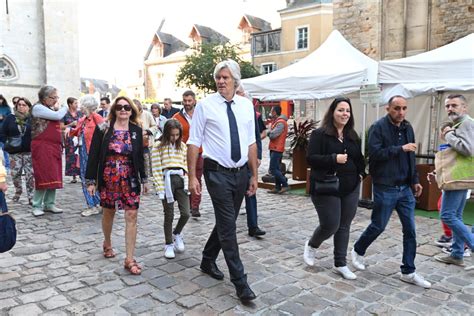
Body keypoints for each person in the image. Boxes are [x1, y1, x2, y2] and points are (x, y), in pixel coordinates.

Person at [188, 59, 258, 302]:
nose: (220, 81)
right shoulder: (205, 106)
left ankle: (208, 259)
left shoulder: (246, 106)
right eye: (218, 77)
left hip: (240, 174)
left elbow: (251, 142)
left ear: (235, 80)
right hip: (216, 173)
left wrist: (254, 175)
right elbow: (194, 142)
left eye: (225, 77)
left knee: (225, 222)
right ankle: (240, 282)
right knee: (229, 226)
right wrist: (192, 177)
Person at [351, 95, 431, 288]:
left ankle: (408, 271)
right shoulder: (377, 128)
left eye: (404, 108)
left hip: (405, 188)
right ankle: (358, 249)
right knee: (378, 226)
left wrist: (415, 180)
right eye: (397, 108)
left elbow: (411, 158)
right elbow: (375, 156)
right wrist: (400, 148)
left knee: (410, 230)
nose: (401, 112)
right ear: (388, 108)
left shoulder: (408, 127)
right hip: (385, 186)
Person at [303, 97, 365, 280]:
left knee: (344, 226)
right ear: (332, 112)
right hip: (326, 186)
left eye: (347, 111)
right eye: (340, 110)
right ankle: (312, 245)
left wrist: (361, 174)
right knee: (330, 224)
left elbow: (359, 159)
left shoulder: (352, 135)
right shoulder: (319, 134)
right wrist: (333, 158)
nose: (344, 114)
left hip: (351, 187)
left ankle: (340, 263)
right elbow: (311, 158)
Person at [85, 96, 147, 275]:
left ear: (131, 110)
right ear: (114, 110)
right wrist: (90, 181)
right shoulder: (103, 129)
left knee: (132, 214)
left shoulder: (136, 130)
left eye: (127, 107)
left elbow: (140, 156)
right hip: (109, 175)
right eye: (119, 107)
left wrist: (145, 179)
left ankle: (129, 258)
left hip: (130, 177)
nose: (123, 110)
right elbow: (94, 155)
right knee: (109, 212)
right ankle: (107, 241)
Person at [433, 94, 474, 269]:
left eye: (454, 105)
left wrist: (449, 135)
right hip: (459, 176)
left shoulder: (466, 123)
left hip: (459, 177)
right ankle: (457, 254)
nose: (450, 109)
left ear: (464, 107)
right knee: (455, 216)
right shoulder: (461, 123)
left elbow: (468, 149)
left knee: (447, 215)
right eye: (447, 106)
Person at [152, 119, 190, 259]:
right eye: (172, 135)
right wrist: (160, 188)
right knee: (169, 214)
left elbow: (186, 166)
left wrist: (188, 182)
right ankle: (168, 243)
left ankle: (177, 233)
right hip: (166, 180)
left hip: (180, 179)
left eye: (177, 135)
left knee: (186, 213)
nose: (174, 138)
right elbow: (155, 168)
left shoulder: (183, 146)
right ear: (166, 133)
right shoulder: (158, 146)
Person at [30, 86, 68, 217]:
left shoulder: (48, 108)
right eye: (54, 97)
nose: (56, 100)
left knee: (54, 175)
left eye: (56, 97)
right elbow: (58, 115)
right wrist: (65, 107)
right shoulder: (38, 108)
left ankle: (49, 203)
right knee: (43, 174)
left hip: (53, 147)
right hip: (42, 147)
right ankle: (36, 205)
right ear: (45, 98)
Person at [236, 84, 266, 237]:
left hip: (248, 160)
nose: (238, 95)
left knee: (251, 191)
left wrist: (258, 156)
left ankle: (253, 226)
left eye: (239, 93)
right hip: (233, 162)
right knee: (233, 196)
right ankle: (228, 225)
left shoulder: (251, 113)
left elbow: (256, 137)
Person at [69, 95, 104, 217]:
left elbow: (105, 135)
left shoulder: (97, 118)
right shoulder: (83, 119)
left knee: (90, 179)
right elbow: (76, 131)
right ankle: (94, 204)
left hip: (92, 153)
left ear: (87, 106)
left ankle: (95, 205)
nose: (79, 107)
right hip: (83, 152)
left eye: (81, 105)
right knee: (85, 178)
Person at [173, 90, 203, 217]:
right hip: (183, 153)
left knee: (197, 178)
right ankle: (186, 204)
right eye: (185, 101)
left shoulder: (201, 114)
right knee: (184, 179)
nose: (187, 103)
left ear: (194, 101)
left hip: (199, 152)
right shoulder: (176, 117)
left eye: (189, 100)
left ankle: (195, 206)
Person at [2, 97, 34, 205]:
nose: (21, 106)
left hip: (29, 152)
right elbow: (2, 132)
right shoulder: (10, 118)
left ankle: (31, 197)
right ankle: (18, 192)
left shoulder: (32, 119)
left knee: (30, 175)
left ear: (28, 107)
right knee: (15, 174)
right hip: (14, 152)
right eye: (19, 104)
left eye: (24, 105)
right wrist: (6, 142)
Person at [133, 99, 158, 188]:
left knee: (145, 162)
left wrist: (147, 131)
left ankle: (145, 180)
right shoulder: (130, 115)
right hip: (133, 143)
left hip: (145, 143)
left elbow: (155, 126)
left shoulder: (147, 114)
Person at [267, 105, 289, 194]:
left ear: (275, 112)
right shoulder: (277, 121)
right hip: (275, 147)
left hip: (277, 148)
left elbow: (273, 135)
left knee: (273, 169)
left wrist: (268, 132)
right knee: (276, 168)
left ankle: (285, 184)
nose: (271, 113)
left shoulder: (280, 123)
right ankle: (277, 187)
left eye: (272, 111)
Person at [62, 97, 83, 184]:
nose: (77, 105)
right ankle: (73, 175)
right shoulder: (65, 114)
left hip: (79, 136)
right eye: (75, 103)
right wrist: (71, 124)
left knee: (80, 154)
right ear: (70, 104)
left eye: (77, 103)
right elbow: (61, 126)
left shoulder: (80, 113)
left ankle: (82, 174)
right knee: (71, 156)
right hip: (70, 137)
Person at [0, 94, 12, 170]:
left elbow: (10, 118)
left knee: (5, 150)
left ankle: (7, 167)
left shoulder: (7, 108)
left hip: (4, 132)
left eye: (0, 99)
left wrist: (3, 117)